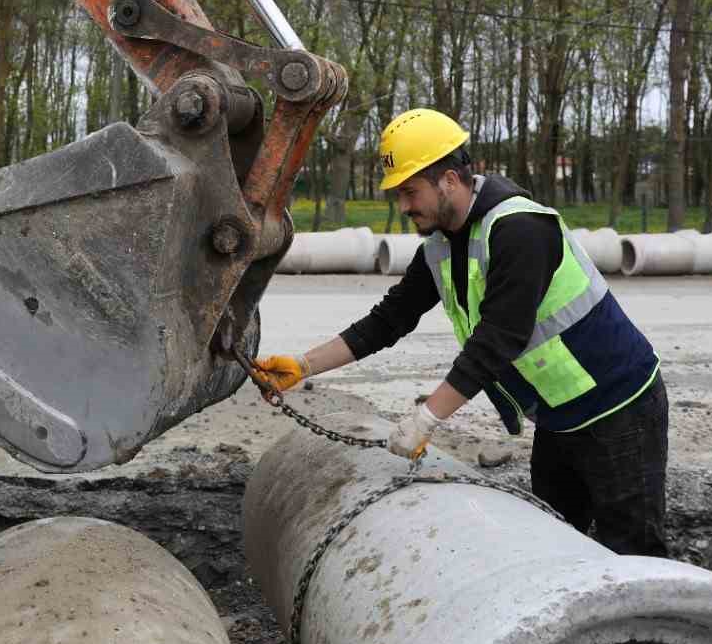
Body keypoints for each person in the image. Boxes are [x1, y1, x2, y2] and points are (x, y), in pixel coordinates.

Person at [255, 108, 670, 556]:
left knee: (634, 550)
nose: (404, 207)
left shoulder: (520, 230)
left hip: (620, 409)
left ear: (449, 180)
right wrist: (302, 365)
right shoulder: (440, 246)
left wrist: (425, 420)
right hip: (559, 416)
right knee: (557, 543)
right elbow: (388, 320)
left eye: (410, 192)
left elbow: (499, 339)